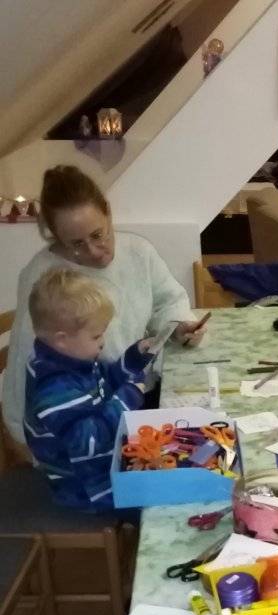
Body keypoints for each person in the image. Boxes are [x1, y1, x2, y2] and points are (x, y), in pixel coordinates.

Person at [2, 164, 207, 449]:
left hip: (133, 388)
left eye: (99, 235)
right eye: (76, 243)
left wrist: (179, 327)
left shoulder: (138, 251)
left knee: (206, 428)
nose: (94, 251)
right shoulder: (44, 278)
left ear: (108, 213)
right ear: (56, 236)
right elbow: (25, 370)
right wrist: (29, 445)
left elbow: (168, 301)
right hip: (89, 417)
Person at [25, 268, 152, 511]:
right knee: (165, 502)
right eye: (96, 336)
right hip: (86, 485)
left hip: (102, 462)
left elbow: (104, 387)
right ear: (62, 339)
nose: (103, 342)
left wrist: (133, 359)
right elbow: (90, 441)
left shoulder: (72, 359)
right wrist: (127, 398)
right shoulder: (54, 387)